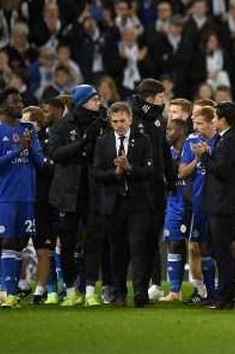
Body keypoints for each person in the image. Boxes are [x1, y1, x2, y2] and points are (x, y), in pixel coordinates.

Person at [49, 84, 110, 307]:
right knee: (67, 243)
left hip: (94, 192)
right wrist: (84, 142)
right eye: (94, 100)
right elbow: (56, 154)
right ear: (83, 102)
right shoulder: (62, 125)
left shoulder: (103, 125)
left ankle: (91, 291)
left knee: (94, 242)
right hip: (67, 194)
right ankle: (71, 291)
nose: (99, 103)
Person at [0, 89, 45, 308]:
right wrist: (19, 150)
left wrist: (34, 149)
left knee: (20, 243)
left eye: (21, 100)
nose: (21, 103)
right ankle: (7, 293)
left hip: (28, 195)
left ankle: (12, 294)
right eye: (15, 101)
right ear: (3, 107)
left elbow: (39, 162)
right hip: (5, 197)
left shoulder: (28, 129)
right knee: (8, 240)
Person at [93, 101, 154, 308]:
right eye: (115, 121)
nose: (119, 124)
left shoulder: (143, 140)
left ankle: (140, 292)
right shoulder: (103, 142)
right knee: (117, 250)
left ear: (130, 119)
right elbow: (96, 172)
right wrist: (115, 173)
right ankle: (119, 293)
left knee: (138, 249)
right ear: (110, 122)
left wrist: (129, 169)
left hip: (138, 204)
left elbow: (150, 172)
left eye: (123, 120)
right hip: (113, 204)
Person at [194, 102, 235, 309]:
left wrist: (203, 156)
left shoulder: (232, 140)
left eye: (216, 118)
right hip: (218, 203)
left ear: (224, 120)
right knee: (217, 249)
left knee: (221, 250)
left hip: (225, 204)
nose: (214, 121)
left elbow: (220, 170)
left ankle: (228, 295)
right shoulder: (224, 139)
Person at [130, 79, 175, 302]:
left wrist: (172, 179)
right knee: (137, 238)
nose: (163, 101)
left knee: (151, 237)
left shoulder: (158, 119)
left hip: (157, 186)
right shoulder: (131, 117)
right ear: (150, 98)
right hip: (136, 187)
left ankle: (150, 285)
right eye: (160, 97)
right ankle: (133, 288)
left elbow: (164, 150)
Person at [22, 104, 59, 306]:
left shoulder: (48, 141)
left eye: (27, 122)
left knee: (44, 249)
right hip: (20, 200)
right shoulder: (15, 141)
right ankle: (16, 286)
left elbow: (48, 168)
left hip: (42, 201)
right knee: (15, 245)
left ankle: (42, 289)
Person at [181, 102, 218, 304]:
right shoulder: (191, 141)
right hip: (199, 202)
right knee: (197, 247)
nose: (195, 127)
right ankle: (204, 290)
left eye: (200, 123)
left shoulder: (222, 141)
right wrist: (198, 158)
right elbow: (182, 172)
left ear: (212, 123)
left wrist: (207, 154)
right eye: (194, 122)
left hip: (220, 203)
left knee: (222, 247)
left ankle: (226, 287)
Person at [160, 117, 190, 301]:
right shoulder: (165, 152)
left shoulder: (191, 149)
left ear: (180, 131)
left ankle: (202, 289)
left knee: (197, 246)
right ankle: (174, 291)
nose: (167, 133)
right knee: (173, 242)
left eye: (170, 130)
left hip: (191, 202)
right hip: (173, 202)